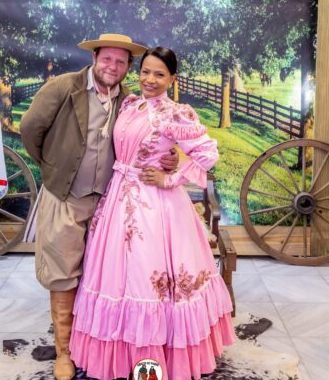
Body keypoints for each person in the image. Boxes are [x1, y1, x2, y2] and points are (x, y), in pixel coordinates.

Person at [69, 47, 235, 379]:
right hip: (118, 199)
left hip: (156, 209)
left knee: (147, 279)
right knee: (115, 276)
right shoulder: (130, 103)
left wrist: (170, 176)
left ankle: (157, 360)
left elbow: (208, 154)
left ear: (172, 78)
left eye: (160, 74)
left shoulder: (176, 114)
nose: (150, 79)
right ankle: (121, 356)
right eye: (145, 71)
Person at [20, 34, 178, 380]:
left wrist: (171, 157)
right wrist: (54, 167)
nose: (112, 67)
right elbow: (30, 129)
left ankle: (91, 344)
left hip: (111, 202)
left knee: (101, 276)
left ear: (128, 67)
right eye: (107, 59)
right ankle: (64, 352)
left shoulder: (130, 100)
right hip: (66, 197)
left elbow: (148, 141)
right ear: (94, 58)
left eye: (121, 62)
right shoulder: (64, 87)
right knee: (63, 272)